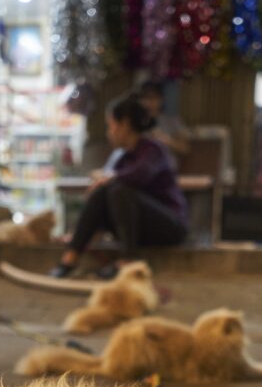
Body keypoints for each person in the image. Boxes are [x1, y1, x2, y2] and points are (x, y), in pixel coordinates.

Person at [50, 93, 188, 279]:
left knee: (118, 189)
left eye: (111, 125)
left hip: (170, 226)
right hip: (142, 228)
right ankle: (70, 257)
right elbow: (104, 195)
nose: (109, 132)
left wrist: (109, 178)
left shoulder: (153, 149)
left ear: (124, 124)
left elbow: (140, 175)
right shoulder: (121, 157)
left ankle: (128, 260)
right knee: (104, 191)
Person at [138, 80, 191, 160]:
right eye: (145, 98)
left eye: (153, 98)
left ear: (161, 99)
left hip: (166, 168)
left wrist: (166, 140)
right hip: (139, 167)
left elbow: (185, 149)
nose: (148, 103)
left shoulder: (173, 121)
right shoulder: (135, 121)